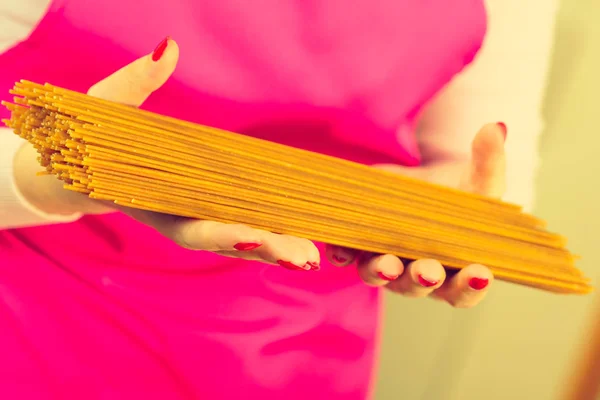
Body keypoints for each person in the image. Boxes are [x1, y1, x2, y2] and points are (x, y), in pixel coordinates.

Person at [0, 0, 556, 398]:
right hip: (33, 325)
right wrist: (42, 173)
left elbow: (480, 158)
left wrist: (451, 211)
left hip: (297, 355)